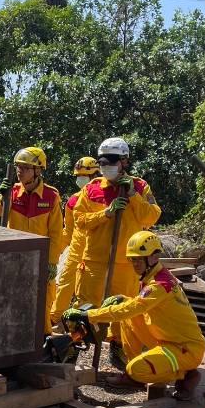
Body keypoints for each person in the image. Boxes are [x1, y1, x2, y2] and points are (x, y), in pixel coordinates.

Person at [63, 231, 205, 399]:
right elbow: (135, 306)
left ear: (153, 257)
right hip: (168, 339)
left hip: (185, 349)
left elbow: (132, 309)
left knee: (134, 368)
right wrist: (122, 299)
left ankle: (186, 375)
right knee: (126, 310)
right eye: (132, 259)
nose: (134, 264)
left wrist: (88, 315)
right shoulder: (153, 277)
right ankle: (137, 370)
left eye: (138, 259)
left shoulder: (159, 285)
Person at [72, 137, 161, 368]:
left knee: (123, 312)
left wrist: (132, 196)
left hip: (125, 264)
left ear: (124, 162)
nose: (105, 167)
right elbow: (79, 220)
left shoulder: (140, 187)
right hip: (94, 261)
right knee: (85, 308)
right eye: (102, 162)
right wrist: (106, 214)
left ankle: (119, 351)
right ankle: (73, 350)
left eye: (111, 162)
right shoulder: (91, 189)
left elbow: (150, 217)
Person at [0, 147, 64, 334]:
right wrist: (2, 197)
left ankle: (43, 339)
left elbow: (56, 233)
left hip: (40, 261)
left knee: (43, 303)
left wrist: (52, 262)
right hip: (14, 259)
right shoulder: (12, 191)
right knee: (11, 300)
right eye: (18, 167)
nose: (19, 171)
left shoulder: (51, 196)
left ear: (38, 170)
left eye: (25, 167)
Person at [50, 156, 101, 326]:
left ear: (95, 175)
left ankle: (100, 324)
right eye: (78, 176)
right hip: (76, 248)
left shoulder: (104, 197)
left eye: (83, 176)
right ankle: (55, 319)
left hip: (97, 249)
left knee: (93, 288)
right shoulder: (72, 200)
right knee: (64, 282)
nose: (80, 179)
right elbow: (68, 230)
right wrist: (55, 251)